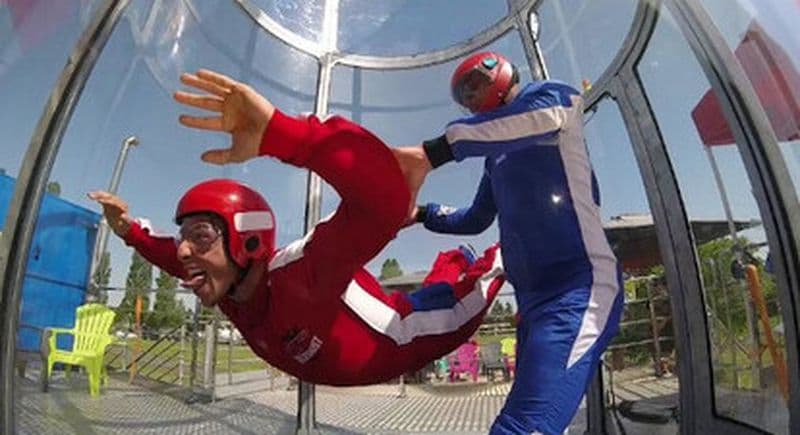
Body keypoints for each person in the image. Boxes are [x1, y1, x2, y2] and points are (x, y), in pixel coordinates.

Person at [89, 68, 505, 386]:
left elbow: (383, 202)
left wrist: (281, 135)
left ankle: (482, 255)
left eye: (199, 237)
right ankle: (452, 255)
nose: (183, 251)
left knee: (476, 278)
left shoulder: (301, 273)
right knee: (429, 264)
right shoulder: (226, 280)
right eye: (185, 238)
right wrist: (128, 230)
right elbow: (167, 255)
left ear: (248, 243)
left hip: (407, 336)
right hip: (351, 312)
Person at [393, 51, 625, 434]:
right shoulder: (494, 156)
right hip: (532, 305)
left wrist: (432, 153)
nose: (469, 98)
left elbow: (520, 123)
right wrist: (421, 214)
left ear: (499, 70)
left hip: (580, 291)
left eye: (474, 84)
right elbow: (476, 218)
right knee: (537, 421)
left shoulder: (555, 99)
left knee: (522, 427)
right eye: (462, 95)